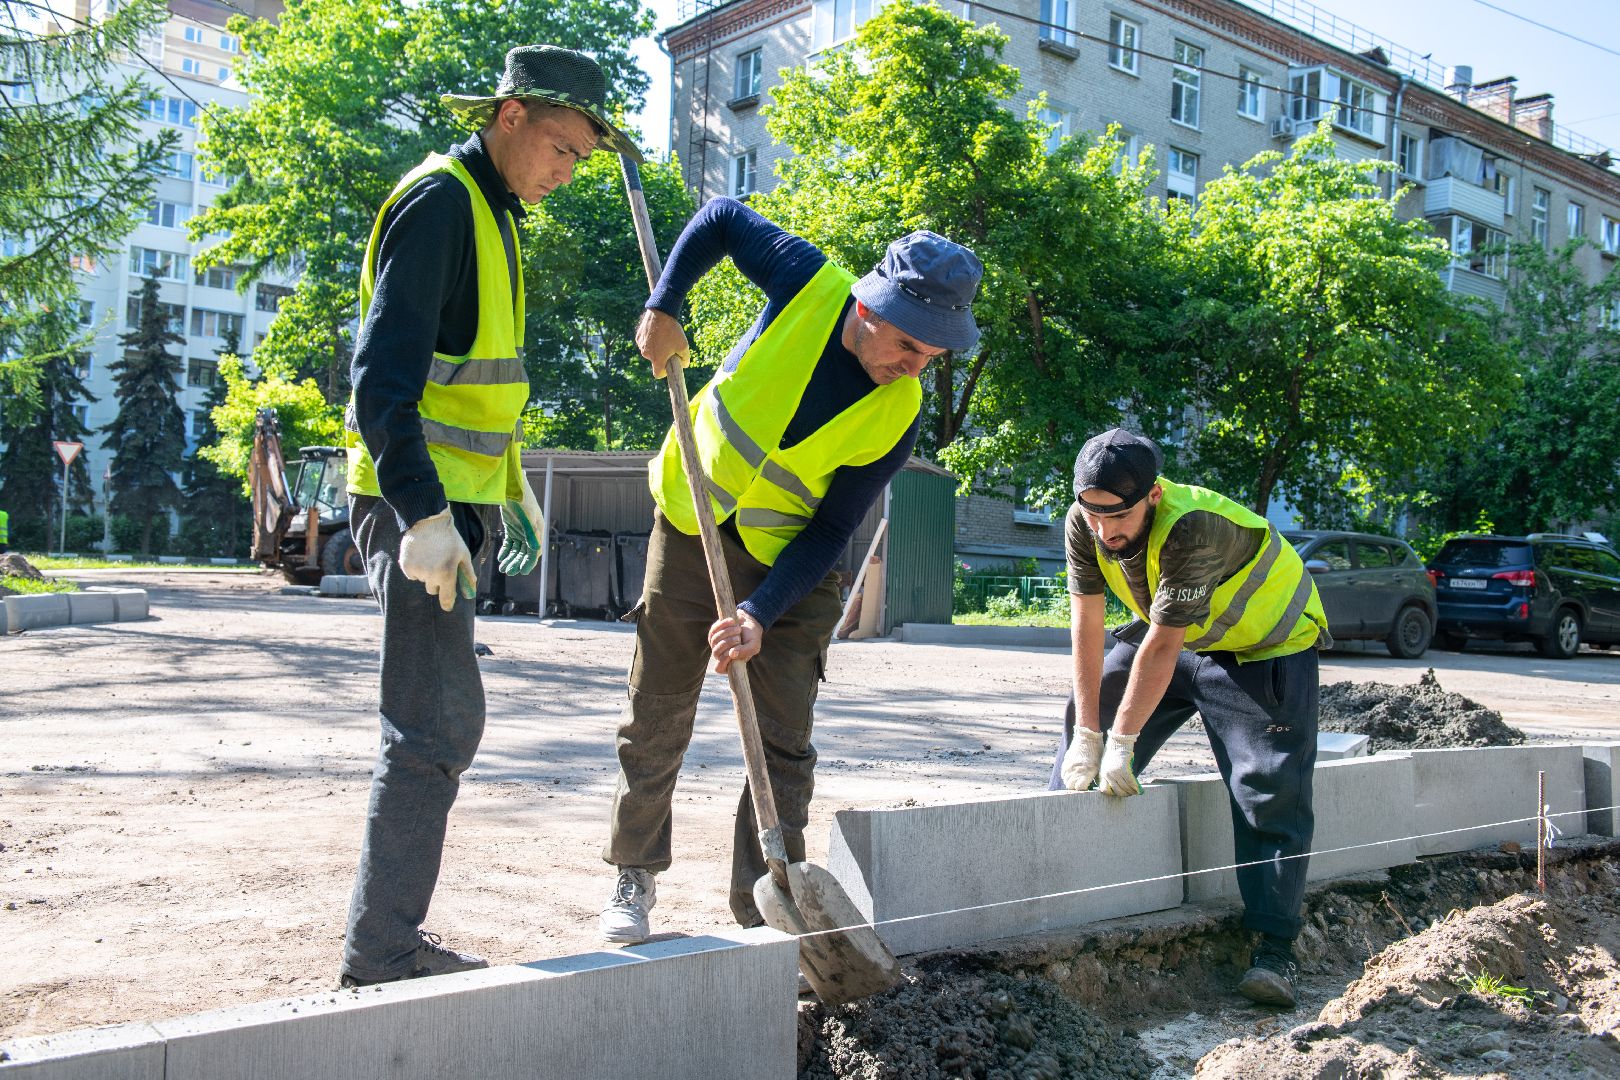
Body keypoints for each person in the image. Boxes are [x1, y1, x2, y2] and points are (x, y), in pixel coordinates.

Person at [599, 198, 983, 943]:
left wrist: (759, 613)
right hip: (692, 520)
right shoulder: (806, 283)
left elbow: (835, 529)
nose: (914, 367)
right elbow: (715, 217)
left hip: (793, 565)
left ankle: (767, 904)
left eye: (932, 357)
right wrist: (664, 305)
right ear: (870, 306)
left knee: (783, 741)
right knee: (657, 711)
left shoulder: (895, 414)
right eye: (908, 344)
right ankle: (633, 876)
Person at [338, 45, 640, 988]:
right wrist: (425, 514)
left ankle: (386, 945)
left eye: (582, 159)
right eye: (560, 148)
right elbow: (381, 383)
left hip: (455, 510)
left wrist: (505, 497)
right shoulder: (442, 204)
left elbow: (472, 386)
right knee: (430, 728)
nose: (567, 171)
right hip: (415, 510)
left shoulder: (496, 212)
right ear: (509, 116)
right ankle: (380, 956)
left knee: (443, 724)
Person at [1050, 428, 1329, 1008]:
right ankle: (1049, 900)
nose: (1104, 530)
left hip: (1262, 649)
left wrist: (1121, 739)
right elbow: (1086, 624)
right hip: (1175, 639)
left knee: (1266, 789)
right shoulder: (1084, 519)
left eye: (1117, 515)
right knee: (1084, 736)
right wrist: (1089, 732)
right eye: (1092, 513)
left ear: (1151, 497)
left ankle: (1274, 950)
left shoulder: (1192, 526)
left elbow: (1162, 645)